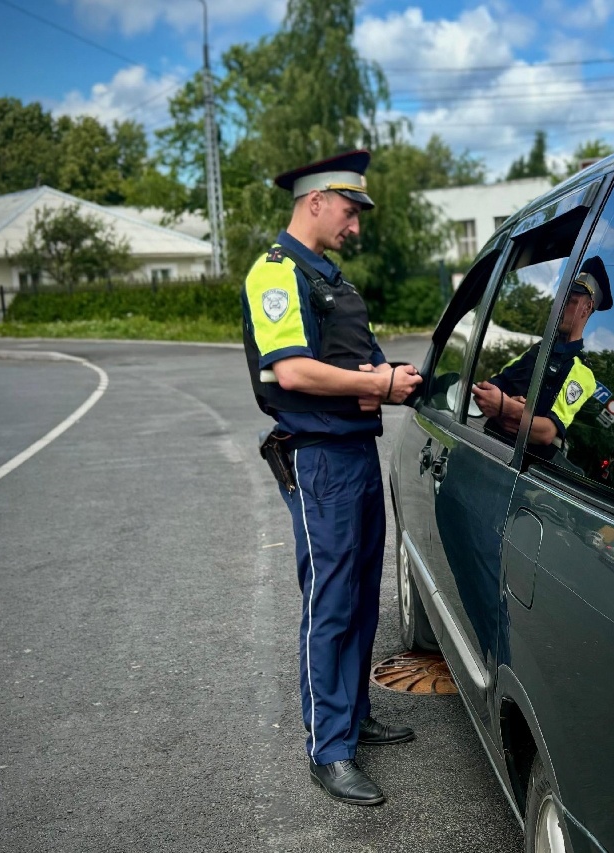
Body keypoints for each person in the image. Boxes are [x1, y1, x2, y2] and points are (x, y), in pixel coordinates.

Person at [240, 149, 421, 807]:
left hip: (353, 454)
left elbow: (354, 364)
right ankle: (329, 747)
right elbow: (292, 371)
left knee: (360, 596)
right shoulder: (276, 274)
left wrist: (396, 380)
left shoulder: (331, 280)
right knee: (331, 601)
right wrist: (378, 381)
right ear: (315, 201)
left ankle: (352, 713)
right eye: (350, 211)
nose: (355, 225)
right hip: (318, 459)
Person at [470, 256, 612, 452]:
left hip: (520, 469)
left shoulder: (582, 372)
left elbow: (547, 432)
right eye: (562, 298)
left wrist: (505, 407)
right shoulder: (539, 349)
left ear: (587, 308)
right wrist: (518, 410)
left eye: (570, 300)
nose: (560, 306)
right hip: (487, 447)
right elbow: (496, 383)